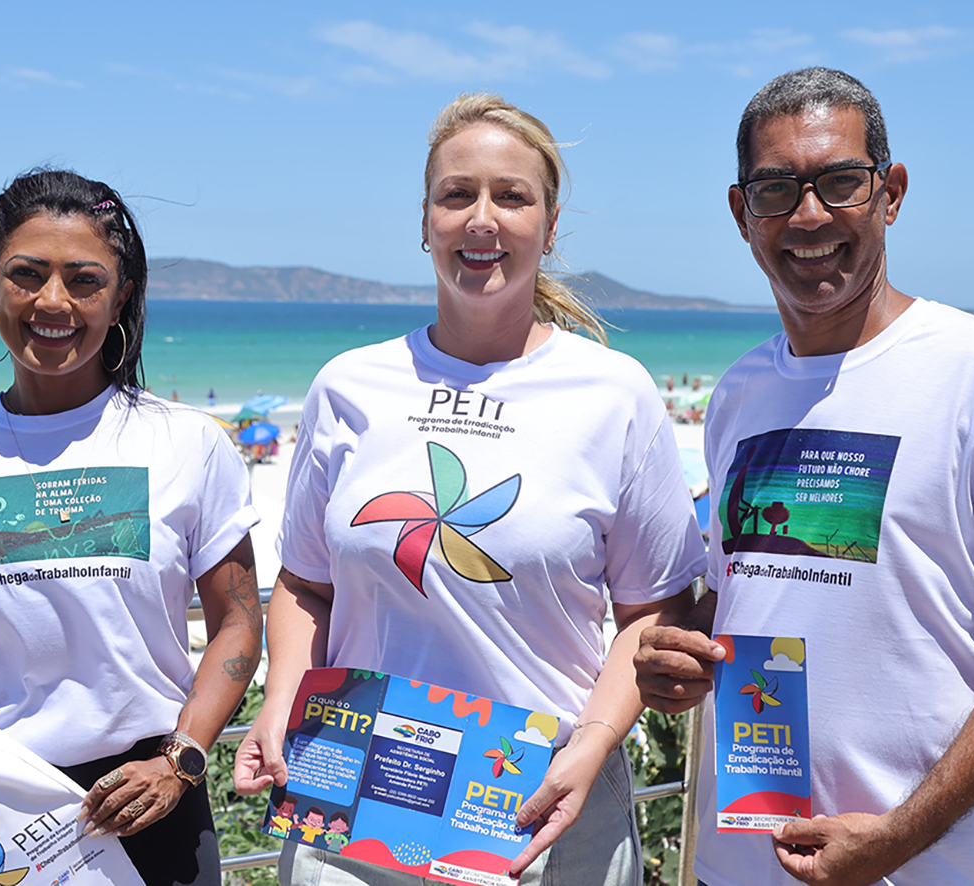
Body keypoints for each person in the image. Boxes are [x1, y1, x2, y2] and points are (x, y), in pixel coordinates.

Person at [232, 93, 706, 886]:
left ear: (549, 227)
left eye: (510, 196)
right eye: (457, 195)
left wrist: (592, 744)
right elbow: (306, 587)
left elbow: (652, 611)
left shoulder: (613, 394)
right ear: (423, 222)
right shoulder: (348, 385)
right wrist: (280, 699)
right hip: (353, 808)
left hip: (545, 808)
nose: (481, 219)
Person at [634, 68, 974, 886]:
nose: (808, 215)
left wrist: (898, 835)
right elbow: (758, 592)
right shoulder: (740, 394)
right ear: (741, 214)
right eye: (776, 189)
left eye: (839, 182)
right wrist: (679, 657)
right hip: (736, 863)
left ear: (888, 193)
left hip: (924, 867)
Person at [0, 169, 263, 886]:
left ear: (121, 298)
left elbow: (237, 622)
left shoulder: (188, 443)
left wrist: (182, 759)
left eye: (84, 280)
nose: (53, 301)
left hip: (147, 798)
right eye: (26, 275)